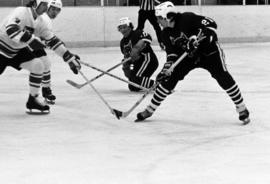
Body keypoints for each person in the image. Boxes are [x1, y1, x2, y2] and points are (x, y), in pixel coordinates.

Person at [136, 1, 250, 124]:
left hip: (209, 53)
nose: (158, 21)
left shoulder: (187, 18)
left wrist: (197, 37)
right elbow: (172, 55)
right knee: (168, 80)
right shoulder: (165, 33)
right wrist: (166, 70)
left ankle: (242, 108)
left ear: (168, 16)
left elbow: (212, 24)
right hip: (188, 57)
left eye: (159, 18)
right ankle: (150, 109)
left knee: (223, 77)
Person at [0, 0, 81, 113]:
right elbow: (11, 30)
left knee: (38, 65)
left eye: (46, 5)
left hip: (17, 51)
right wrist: (32, 40)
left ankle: (32, 101)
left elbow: (52, 40)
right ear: (34, 4)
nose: (46, 7)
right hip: (2, 50)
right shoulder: (22, 11)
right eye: (43, 4)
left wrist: (68, 57)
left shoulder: (40, 21)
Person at [118, 17, 159, 92]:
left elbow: (148, 37)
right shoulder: (122, 43)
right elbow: (129, 60)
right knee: (133, 86)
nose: (122, 30)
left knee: (135, 79)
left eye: (124, 27)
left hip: (148, 60)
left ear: (130, 27)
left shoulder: (137, 33)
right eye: (120, 28)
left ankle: (161, 87)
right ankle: (156, 85)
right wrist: (126, 65)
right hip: (138, 64)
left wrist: (136, 48)